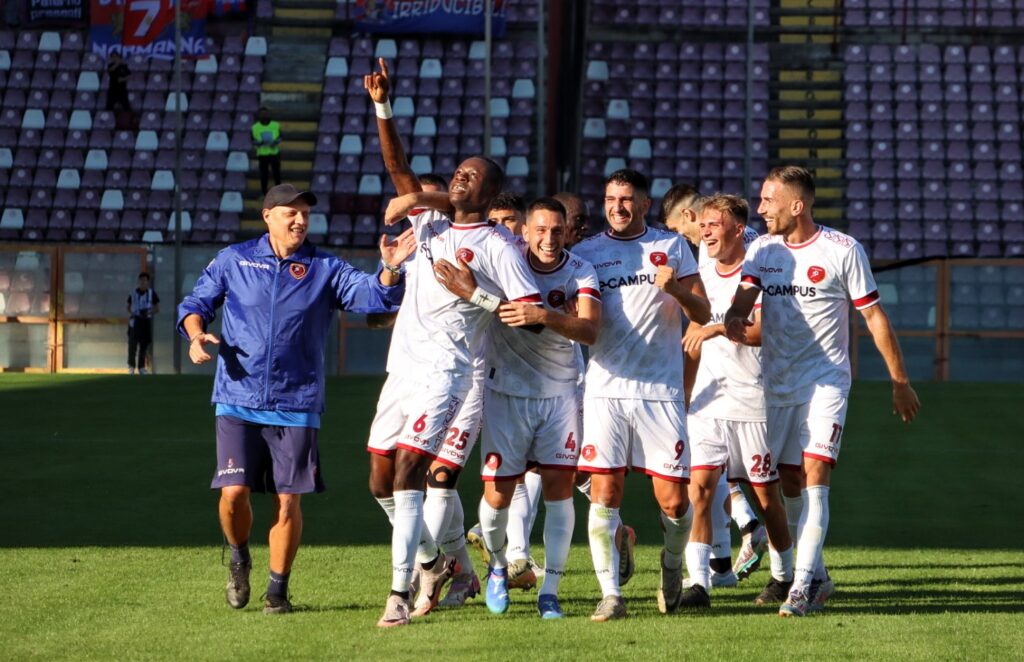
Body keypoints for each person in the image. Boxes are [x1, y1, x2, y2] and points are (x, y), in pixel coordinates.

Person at [361, 58, 541, 628]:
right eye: (458, 171)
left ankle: (398, 593)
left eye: (471, 175)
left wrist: (474, 294)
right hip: (403, 369)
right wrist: (382, 105)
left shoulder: (497, 247)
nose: (459, 177)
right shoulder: (431, 224)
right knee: (378, 478)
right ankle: (434, 562)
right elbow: (399, 170)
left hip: (450, 372)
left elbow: (531, 316)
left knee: (411, 471)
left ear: (490, 193)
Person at [177, 183, 414, 615]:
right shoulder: (234, 259)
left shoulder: (324, 266)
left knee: (288, 500)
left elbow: (372, 296)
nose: (300, 220)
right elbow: (195, 304)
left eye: (305, 213)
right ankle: (239, 556)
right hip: (238, 395)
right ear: (267, 216)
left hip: (297, 400)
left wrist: (390, 269)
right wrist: (195, 335)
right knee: (233, 493)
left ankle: (277, 591)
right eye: (290, 212)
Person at [725, 166, 920, 617]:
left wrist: (899, 381)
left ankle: (800, 588)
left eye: (768, 200)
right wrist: (734, 316)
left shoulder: (842, 249)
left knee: (815, 474)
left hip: (825, 382)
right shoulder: (763, 250)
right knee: (789, 480)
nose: (760, 208)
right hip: (777, 384)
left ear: (797, 205)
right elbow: (744, 298)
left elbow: (873, 317)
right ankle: (820, 576)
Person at [443, 197, 601, 619]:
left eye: (557, 231)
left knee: (559, 492)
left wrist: (544, 316)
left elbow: (589, 330)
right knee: (497, 498)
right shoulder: (504, 259)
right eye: (541, 230)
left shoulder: (581, 270)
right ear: (525, 231)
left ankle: (550, 590)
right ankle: (498, 567)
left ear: (567, 232)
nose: (549, 239)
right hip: (506, 393)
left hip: (559, 395)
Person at [572, 168, 711, 620]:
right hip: (605, 390)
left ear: (645, 205)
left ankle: (671, 565)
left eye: (627, 199)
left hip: (659, 390)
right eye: (611, 198)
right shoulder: (586, 253)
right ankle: (611, 594)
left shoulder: (671, 247)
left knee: (674, 502)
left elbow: (703, 311)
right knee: (604, 493)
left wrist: (675, 290)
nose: (618, 206)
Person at [677, 194, 794, 609]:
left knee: (766, 498)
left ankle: (784, 576)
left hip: (753, 401)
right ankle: (699, 583)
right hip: (708, 404)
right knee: (700, 492)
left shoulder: (759, 271)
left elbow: (762, 331)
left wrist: (714, 328)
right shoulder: (702, 272)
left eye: (714, 224)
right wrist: (685, 391)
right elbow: (692, 336)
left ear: (738, 229)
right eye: (703, 224)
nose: (705, 231)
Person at [126, 272, 159, 375]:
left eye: (145, 280)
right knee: (132, 344)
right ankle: (131, 367)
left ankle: (141, 367)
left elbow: (157, 308)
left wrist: (148, 312)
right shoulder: (133, 293)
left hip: (146, 321)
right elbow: (128, 306)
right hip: (135, 321)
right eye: (141, 280)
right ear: (138, 281)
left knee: (144, 345)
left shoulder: (151, 293)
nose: (143, 282)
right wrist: (133, 313)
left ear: (148, 282)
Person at [252, 107, 282, 194]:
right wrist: (260, 143)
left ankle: (279, 193)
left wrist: (275, 143)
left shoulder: (275, 125)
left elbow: (280, 137)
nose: (264, 115)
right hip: (262, 154)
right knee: (264, 175)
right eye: (262, 114)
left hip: (274, 153)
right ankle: (264, 193)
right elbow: (253, 140)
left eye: (265, 113)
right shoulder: (255, 127)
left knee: (276, 174)